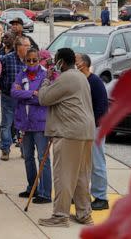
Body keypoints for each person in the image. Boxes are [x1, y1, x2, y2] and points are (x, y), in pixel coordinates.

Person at [37, 48, 95, 228]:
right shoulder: (80, 77)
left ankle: (60, 215)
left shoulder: (67, 78)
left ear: (60, 62)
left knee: (63, 174)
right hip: (84, 131)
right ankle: (84, 213)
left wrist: (47, 78)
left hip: (69, 132)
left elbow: (44, 98)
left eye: (56, 61)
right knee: (80, 175)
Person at [11, 48, 52, 204]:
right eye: (29, 60)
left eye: (35, 60)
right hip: (25, 123)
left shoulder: (45, 75)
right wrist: (32, 94)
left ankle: (45, 192)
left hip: (40, 124)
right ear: (25, 61)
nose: (32, 63)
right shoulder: (21, 75)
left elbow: (43, 97)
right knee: (28, 157)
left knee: (43, 158)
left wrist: (28, 95)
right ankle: (32, 187)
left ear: (39, 59)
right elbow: (14, 93)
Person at [76, 53, 110, 211]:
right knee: (83, 163)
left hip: (95, 127)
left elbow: (102, 107)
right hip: (83, 127)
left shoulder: (95, 82)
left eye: (76, 60)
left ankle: (101, 197)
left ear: (83, 64)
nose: (74, 62)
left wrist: (91, 124)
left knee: (97, 163)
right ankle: (83, 194)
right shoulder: (79, 81)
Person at [0, 36, 31, 160]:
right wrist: (4, 88)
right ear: (19, 47)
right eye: (26, 46)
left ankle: (24, 150)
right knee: (6, 124)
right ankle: (5, 150)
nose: (29, 48)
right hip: (9, 96)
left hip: (24, 98)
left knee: (23, 125)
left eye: (29, 46)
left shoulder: (30, 60)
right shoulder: (6, 59)